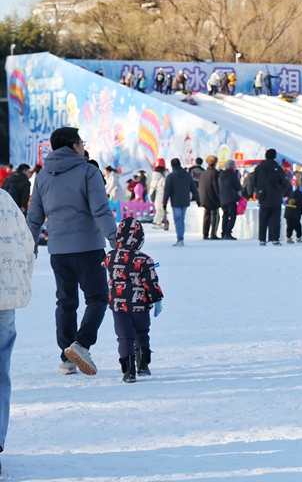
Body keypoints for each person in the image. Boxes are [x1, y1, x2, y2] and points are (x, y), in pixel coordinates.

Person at [26, 127, 117, 376]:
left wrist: (27, 245)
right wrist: (115, 240)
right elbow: (100, 209)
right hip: (88, 247)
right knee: (98, 298)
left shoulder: (43, 176)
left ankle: (67, 358)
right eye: (81, 142)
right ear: (74, 146)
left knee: (66, 303)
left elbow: (34, 217)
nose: (84, 147)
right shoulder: (89, 171)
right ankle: (81, 344)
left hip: (58, 250)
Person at [104, 217, 163, 383]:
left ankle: (129, 371)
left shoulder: (110, 257)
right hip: (140, 306)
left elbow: (105, 264)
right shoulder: (144, 259)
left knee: (124, 337)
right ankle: (143, 364)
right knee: (142, 333)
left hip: (119, 306)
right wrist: (157, 299)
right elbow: (151, 282)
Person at [0, 187, 35, 465]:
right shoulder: (4, 199)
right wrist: (19, 285)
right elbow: (27, 246)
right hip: (5, 300)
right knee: (0, 375)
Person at [252, 149, 292, 246]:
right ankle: (275, 239)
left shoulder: (259, 168)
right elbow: (284, 182)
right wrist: (280, 191)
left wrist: (260, 189)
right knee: (275, 219)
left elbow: (253, 181)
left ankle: (262, 239)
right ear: (274, 156)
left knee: (263, 219)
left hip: (263, 196)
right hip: (275, 197)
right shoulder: (278, 169)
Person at [162, 158, 200, 247]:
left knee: (178, 220)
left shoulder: (170, 176)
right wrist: (198, 199)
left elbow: (167, 190)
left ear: (172, 166)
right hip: (185, 200)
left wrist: (164, 201)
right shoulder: (187, 175)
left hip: (175, 200)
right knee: (181, 219)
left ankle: (180, 239)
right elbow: (194, 188)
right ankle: (181, 238)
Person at [218, 160, 242, 240]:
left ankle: (223, 232)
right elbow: (238, 187)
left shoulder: (220, 175)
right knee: (232, 216)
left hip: (222, 199)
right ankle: (228, 232)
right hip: (231, 198)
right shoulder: (232, 175)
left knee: (225, 216)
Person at [198, 155, 221, 240]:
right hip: (213, 197)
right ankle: (213, 233)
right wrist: (219, 198)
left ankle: (205, 233)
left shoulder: (203, 173)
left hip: (204, 197)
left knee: (206, 216)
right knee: (215, 215)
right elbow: (216, 187)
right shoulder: (214, 173)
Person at [148, 159, 167, 229]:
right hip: (160, 194)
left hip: (154, 195)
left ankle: (157, 222)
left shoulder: (153, 176)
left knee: (158, 209)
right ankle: (156, 223)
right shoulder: (162, 178)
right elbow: (166, 187)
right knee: (160, 209)